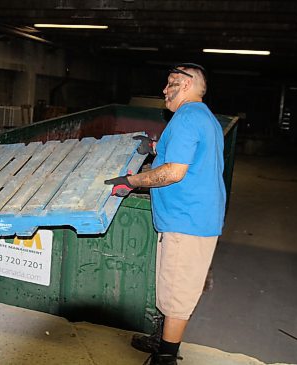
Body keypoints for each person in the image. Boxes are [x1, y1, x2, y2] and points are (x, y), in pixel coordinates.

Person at [105, 63, 225, 365]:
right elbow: (184, 154)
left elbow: (173, 172)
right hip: (191, 216)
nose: (164, 90)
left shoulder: (186, 118)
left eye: (170, 83)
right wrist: (155, 146)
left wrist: (131, 182)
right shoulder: (203, 117)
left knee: (178, 295)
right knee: (171, 283)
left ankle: (166, 357)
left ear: (185, 85)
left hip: (188, 220)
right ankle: (162, 340)